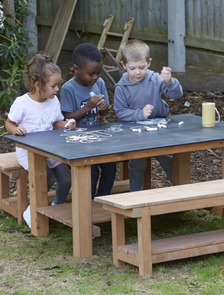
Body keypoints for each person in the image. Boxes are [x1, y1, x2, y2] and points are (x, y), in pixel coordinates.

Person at [5, 54, 76, 228]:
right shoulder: (22, 103)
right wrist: (16, 130)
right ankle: (32, 211)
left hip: (50, 149)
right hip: (28, 151)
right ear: (38, 85)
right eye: (54, 85)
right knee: (46, 176)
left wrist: (67, 124)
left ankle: (56, 207)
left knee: (66, 178)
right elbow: (9, 123)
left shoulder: (53, 101)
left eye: (58, 85)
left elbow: (55, 122)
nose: (57, 89)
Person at [114, 39, 183, 191]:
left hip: (159, 128)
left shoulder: (155, 79)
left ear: (149, 63)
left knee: (169, 160)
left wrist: (169, 81)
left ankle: (181, 192)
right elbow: (120, 111)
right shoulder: (121, 87)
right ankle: (136, 199)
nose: (137, 72)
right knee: (137, 164)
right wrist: (140, 114)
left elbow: (176, 94)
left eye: (142, 67)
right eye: (132, 68)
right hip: (134, 133)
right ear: (123, 65)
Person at [60, 43, 116, 199]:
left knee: (110, 166)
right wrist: (88, 107)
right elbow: (67, 118)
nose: (95, 77)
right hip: (76, 141)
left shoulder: (100, 84)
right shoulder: (68, 88)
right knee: (91, 172)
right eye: (91, 74)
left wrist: (103, 107)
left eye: (98, 72)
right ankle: (86, 204)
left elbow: (104, 113)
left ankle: (103, 200)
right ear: (76, 69)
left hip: (97, 137)